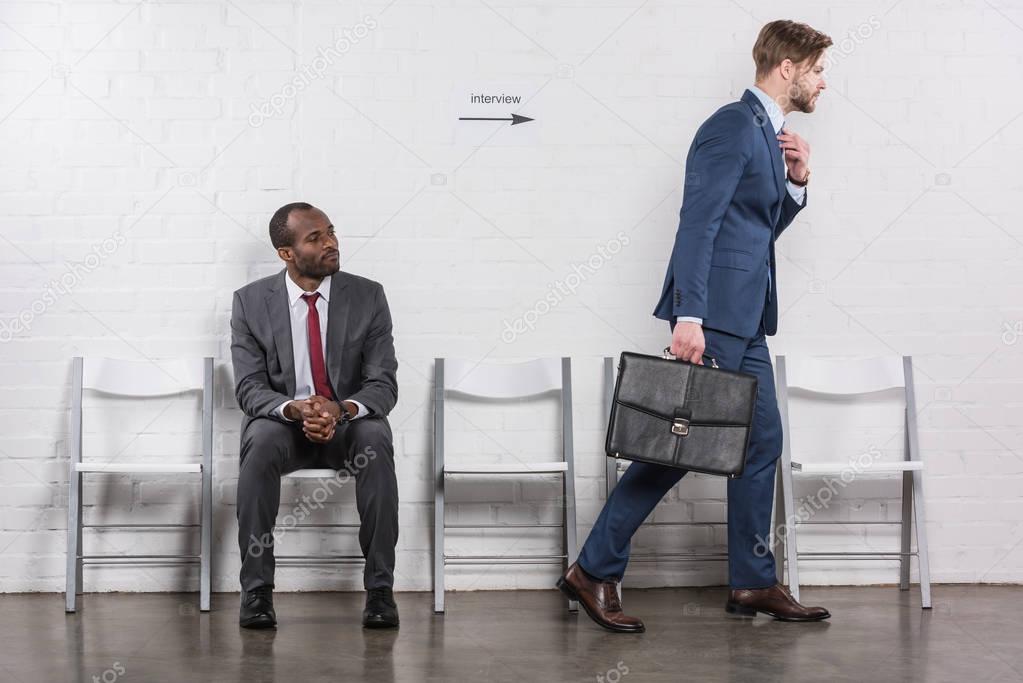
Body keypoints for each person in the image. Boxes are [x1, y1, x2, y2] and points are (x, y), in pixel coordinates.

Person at [558, 20, 834, 632]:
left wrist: (796, 184)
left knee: (760, 444)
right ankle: (594, 568)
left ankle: (752, 582)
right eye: (817, 70)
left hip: (748, 320)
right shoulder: (732, 126)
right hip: (715, 319)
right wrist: (689, 314)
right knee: (676, 449)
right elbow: (697, 224)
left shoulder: (771, 134)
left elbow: (753, 234)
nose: (823, 83)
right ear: (786, 67)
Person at [230, 202, 400, 629]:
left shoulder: (368, 296)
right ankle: (256, 592)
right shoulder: (250, 303)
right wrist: (295, 408)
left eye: (331, 232)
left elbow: (383, 384)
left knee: (376, 438)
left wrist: (339, 409)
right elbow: (249, 387)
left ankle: (380, 589)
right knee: (260, 440)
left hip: (346, 428)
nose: (331, 243)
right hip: (287, 428)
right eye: (315, 238)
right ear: (286, 253)